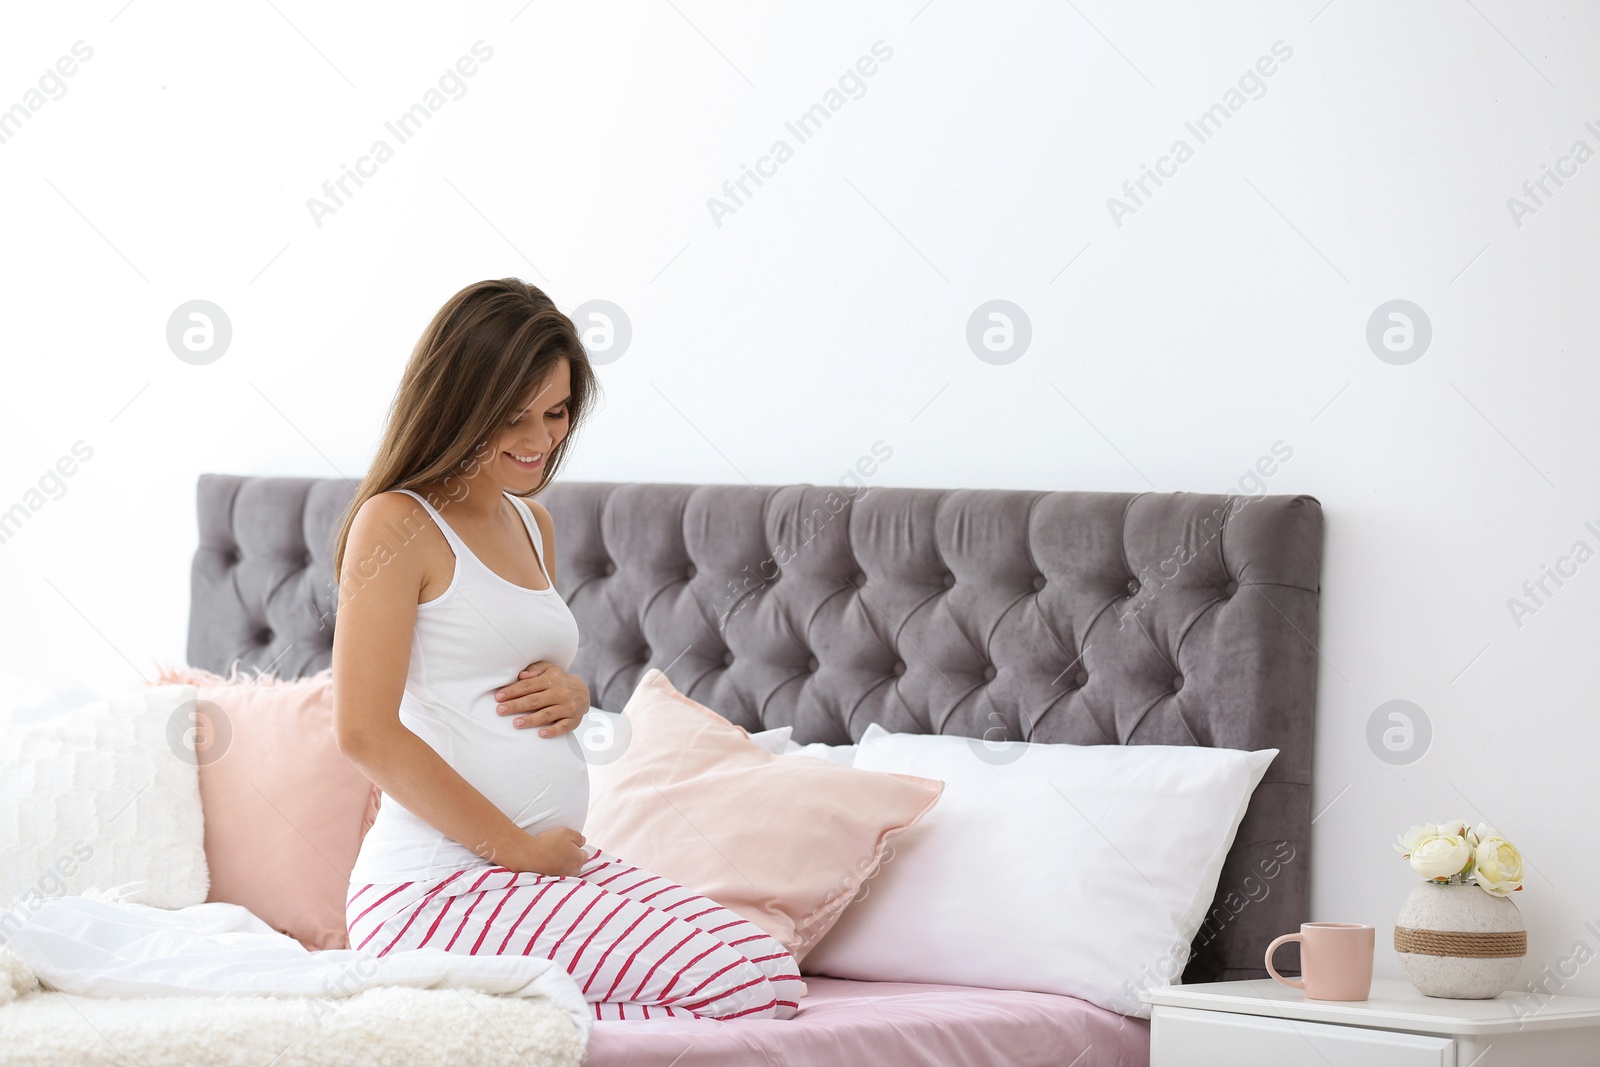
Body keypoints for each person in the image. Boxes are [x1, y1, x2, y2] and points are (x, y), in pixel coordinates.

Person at [330, 278, 801, 1021]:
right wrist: (516, 849)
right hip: (438, 886)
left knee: (771, 969)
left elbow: (493, 666)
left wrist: (574, 693)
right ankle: (486, 1024)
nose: (541, 439)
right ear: (459, 404)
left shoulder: (532, 524)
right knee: (734, 989)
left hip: (536, 869)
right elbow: (363, 730)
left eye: (556, 412)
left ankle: (508, 1016)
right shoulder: (395, 523)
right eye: (514, 417)